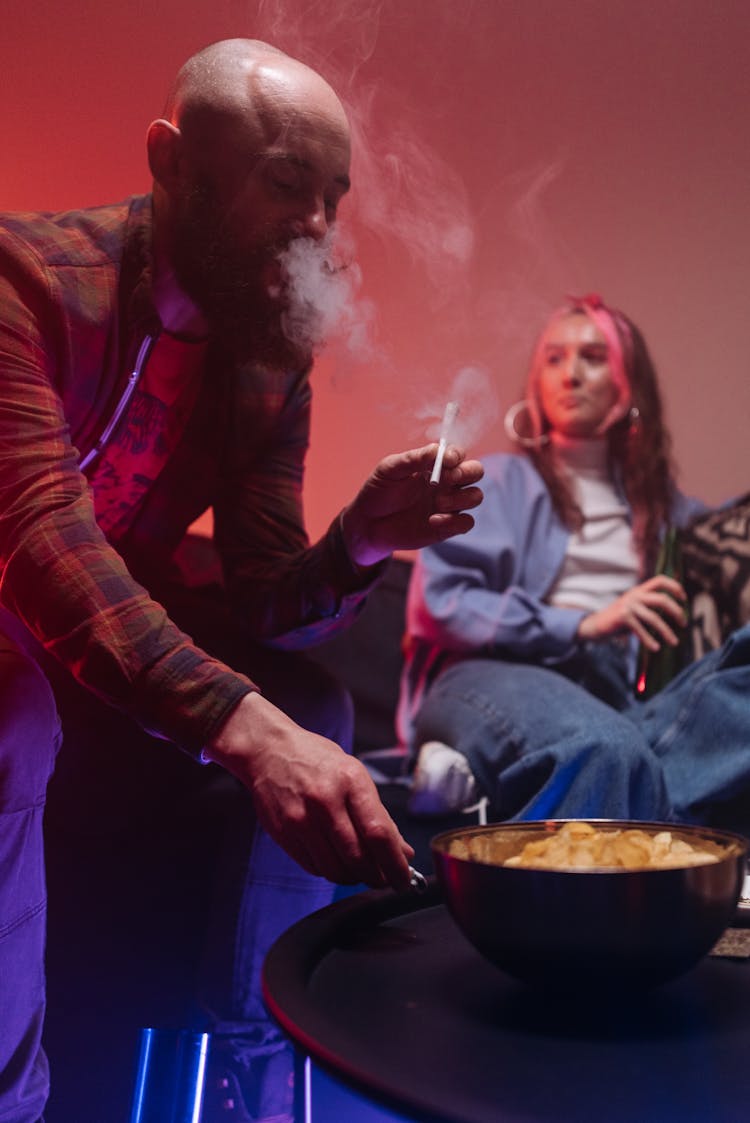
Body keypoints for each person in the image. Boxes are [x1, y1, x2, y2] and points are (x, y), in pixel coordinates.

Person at [0, 38, 484, 1123]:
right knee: (10, 710)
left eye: (333, 199)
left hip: (94, 653)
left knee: (314, 699)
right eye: (284, 183)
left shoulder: (265, 356)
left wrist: (359, 539)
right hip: (17, 636)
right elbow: (42, 546)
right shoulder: (23, 287)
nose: (316, 228)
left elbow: (270, 595)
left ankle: (254, 1073)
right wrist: (249, 735)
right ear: (173, 163)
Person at [399, 293, 750, 839]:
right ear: (536, 384)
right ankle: (628, 817)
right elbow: (443, 605)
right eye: (554, 359)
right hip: (497, 675)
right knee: (603, 748)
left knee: (627, 741)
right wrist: (583, 623)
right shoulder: (493, 481)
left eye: (592, 356)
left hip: (621, 699)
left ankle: (610, 785)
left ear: (629, 380)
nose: (571, 374)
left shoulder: (672, 516)